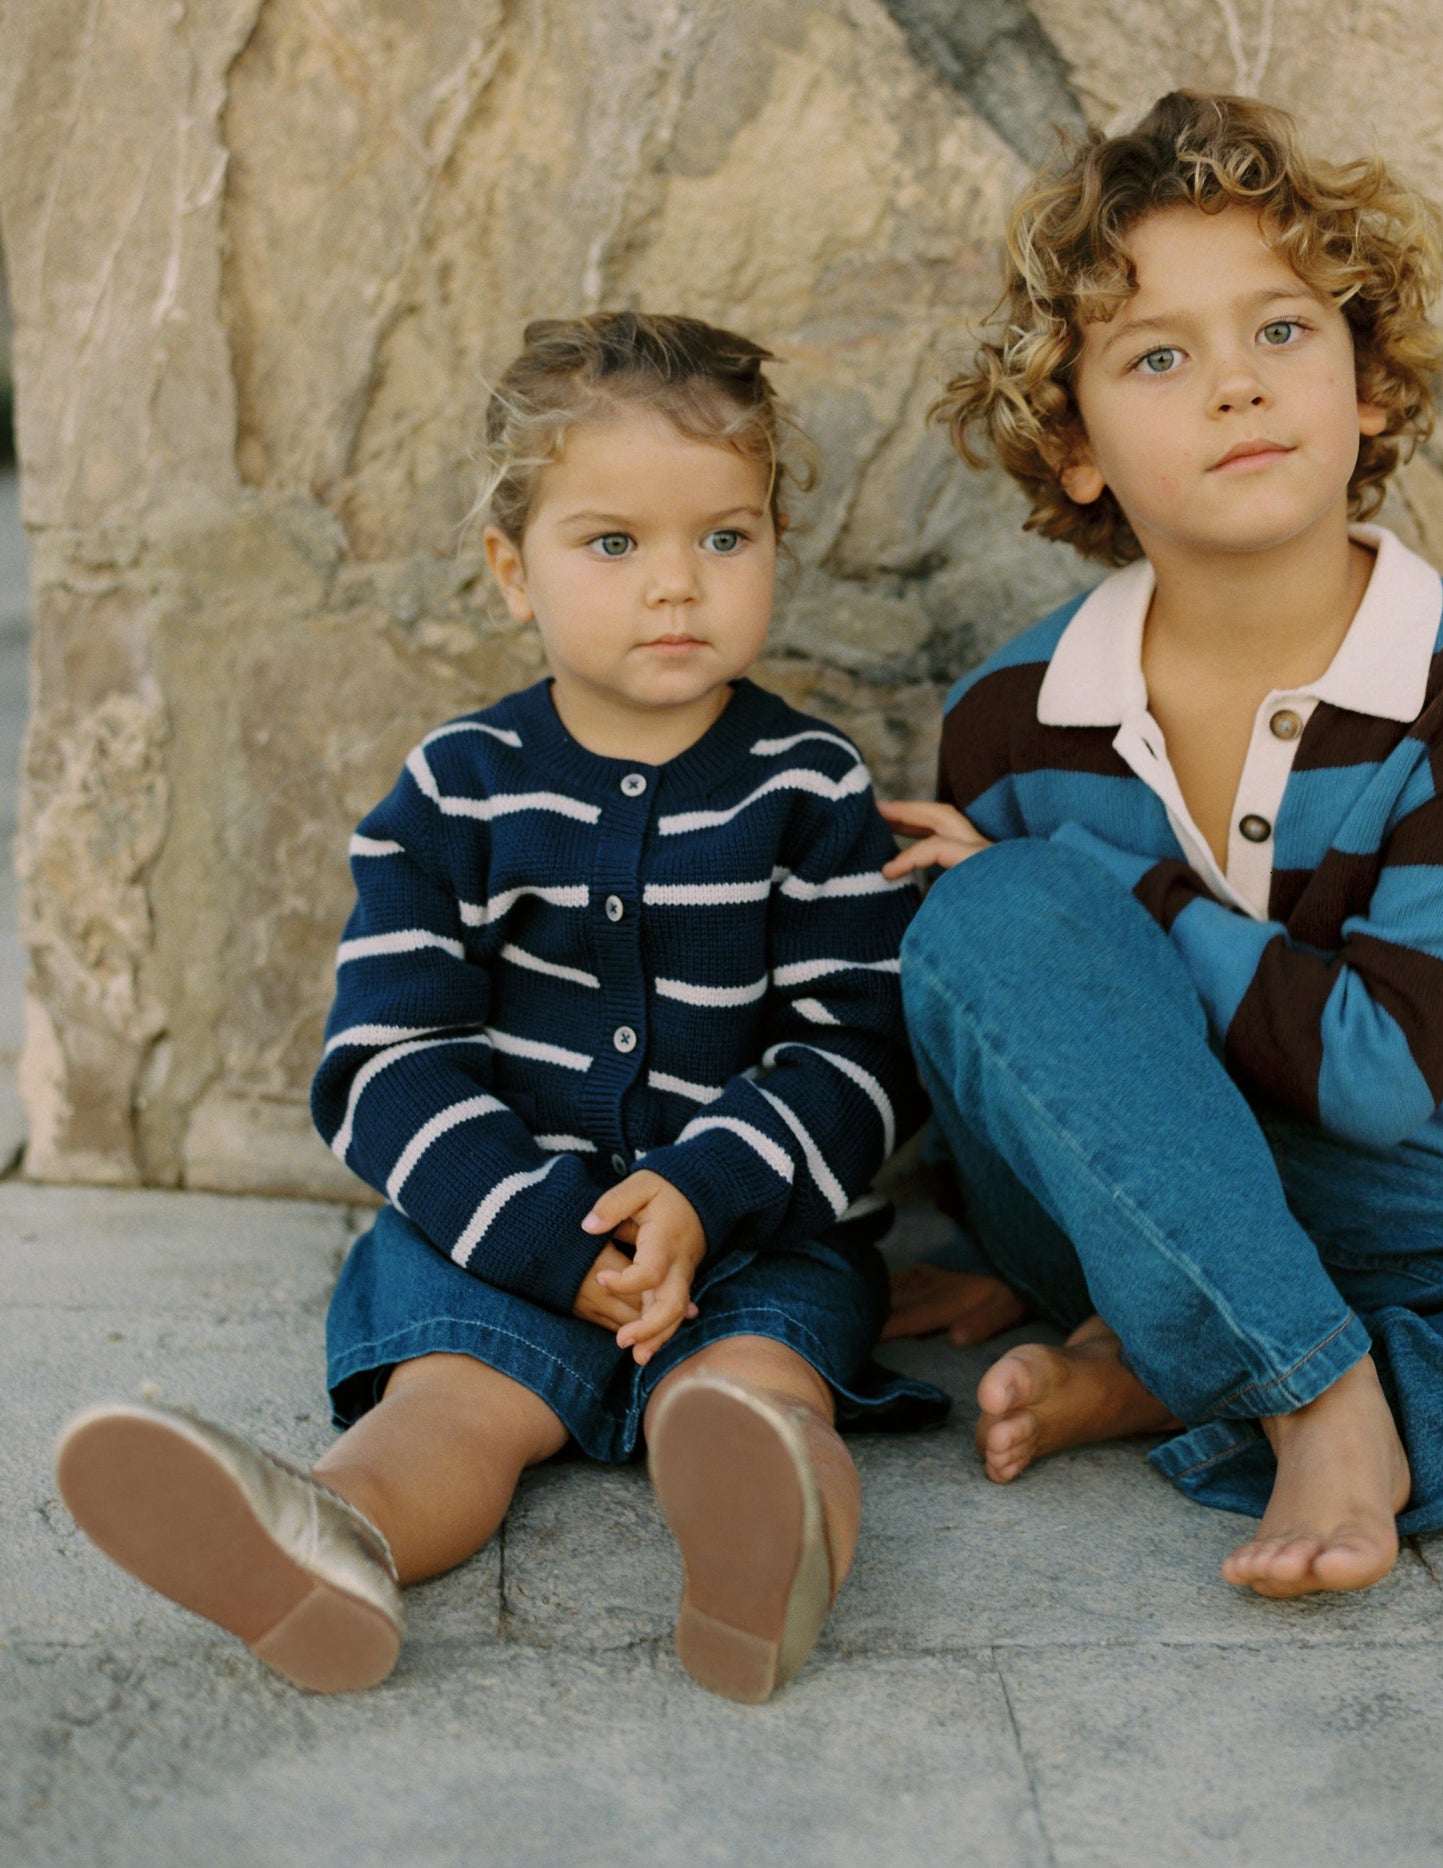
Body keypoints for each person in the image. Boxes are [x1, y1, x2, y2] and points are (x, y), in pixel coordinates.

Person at [54, 311, 940, 1703]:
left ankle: (761, 1557)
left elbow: (860, 1050)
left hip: (748, 1233)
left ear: (773, 542)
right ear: (507, 571)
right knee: (448, 1414)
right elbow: (386, 1061)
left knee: (754, 1391)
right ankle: (326, 1545)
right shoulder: (454, 790)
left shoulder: (807, 786)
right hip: (493, 1233)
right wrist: (536, 1232)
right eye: (612, 543)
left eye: (725, 537)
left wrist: (703, 1195)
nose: (676, 586)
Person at [880, 90, 1443, 1599]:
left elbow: (1381, 1084)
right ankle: (1328, 1405)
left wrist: (1114, 886)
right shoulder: (1011, 717)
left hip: (1412, 1222)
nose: (1235, 388)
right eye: (1157, 356)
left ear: (1369, 384)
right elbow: (1036, 1044)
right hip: (1120, 1216)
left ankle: (1193, 1375)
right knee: (985, 919)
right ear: (1073, 449)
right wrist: (1001, 1249)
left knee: (1028, 885)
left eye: (1280, 332)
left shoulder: (1438, 690)